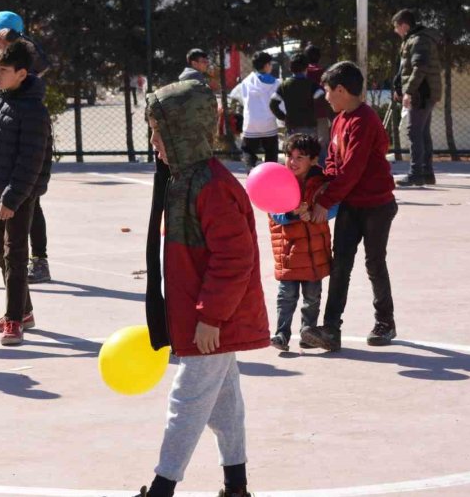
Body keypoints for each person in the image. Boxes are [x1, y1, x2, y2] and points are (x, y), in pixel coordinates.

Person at [137, 80, 268, 497]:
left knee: (187, 403)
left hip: (212, 321)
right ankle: (237, 485)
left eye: (159, 132)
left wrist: (211, 316)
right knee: (225, 408)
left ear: (182, 132)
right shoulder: (185, 178)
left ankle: (163, 487)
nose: (154, 141)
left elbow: (235, 258)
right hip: (206, 317)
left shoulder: (211, 186)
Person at [301, 62, 398, 352]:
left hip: (377, 205)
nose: (326, 97)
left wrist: (326, 201)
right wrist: (319, 189)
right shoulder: (340, 119)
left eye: (328, 91)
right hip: (351, 204)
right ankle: (331, 329)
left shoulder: (364, 120)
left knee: (374, 262)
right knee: (340, 262)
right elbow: (334, 161)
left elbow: (353, 169)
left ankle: (385, 322)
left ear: (341, 90)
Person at [0, 41, 52, 346]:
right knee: (0, 252)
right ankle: (25, 311)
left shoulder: (33, 110)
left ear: (22, 74)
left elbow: (31, 160)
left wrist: (11, 198)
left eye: (4, 70)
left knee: (16, 255)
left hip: (19, 196)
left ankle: (12, 320)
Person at [0, 11, 52, 284]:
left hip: (22, 135)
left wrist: (19, 40)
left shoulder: (26, 60)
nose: (1, 39)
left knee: (29, 201)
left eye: (7, 33)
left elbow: (43, 63)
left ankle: (39, 260)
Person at [267, 134, 337, 351]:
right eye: (289, 156)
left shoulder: (323, 184)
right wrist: (292, 215)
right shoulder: (278, 182)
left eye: (300, 157)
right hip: (289, 253)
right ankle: (281, 334)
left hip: (315, 253)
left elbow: (334, 207)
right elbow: (273, 212)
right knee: (286, 297)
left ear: (314, 160)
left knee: (312, 297)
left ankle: (309, 332)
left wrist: (318, 212)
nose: (293, 161)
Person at [391, 8, 441, 186]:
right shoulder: (415, 39)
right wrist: (400, 86)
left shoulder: (419, 40)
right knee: (422, 132)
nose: (396, 31)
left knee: (414, 132)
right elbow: (405, 68)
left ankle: (416, 173)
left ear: (404, 25)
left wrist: (409, 92)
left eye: (397, 27)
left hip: (422, 93)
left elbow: (419, 68)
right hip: (425, 91)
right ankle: (427, 173)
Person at [230, 51, 279, 173]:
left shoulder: (247, 82)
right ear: (267, 65)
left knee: (248, 151)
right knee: (271, 152)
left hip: (251, 124)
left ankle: (251, 172)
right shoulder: (277, 83)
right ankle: (270, 176)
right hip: (269, 124)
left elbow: (236, 95)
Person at [269, 52, 324, 137]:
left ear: (290, 68)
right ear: (306, 68)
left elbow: (273, 104)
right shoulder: (311, 84)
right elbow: (321, 98)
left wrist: (283, 117)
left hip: (291, 127)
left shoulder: (284, 85)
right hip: (309, 126)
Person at [304, 44, 333, 166]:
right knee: (322, 142)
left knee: (305, 143)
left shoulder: (304, 73)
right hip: (321, 112)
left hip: (305, 114)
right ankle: (323, 168)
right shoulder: (324, 73)